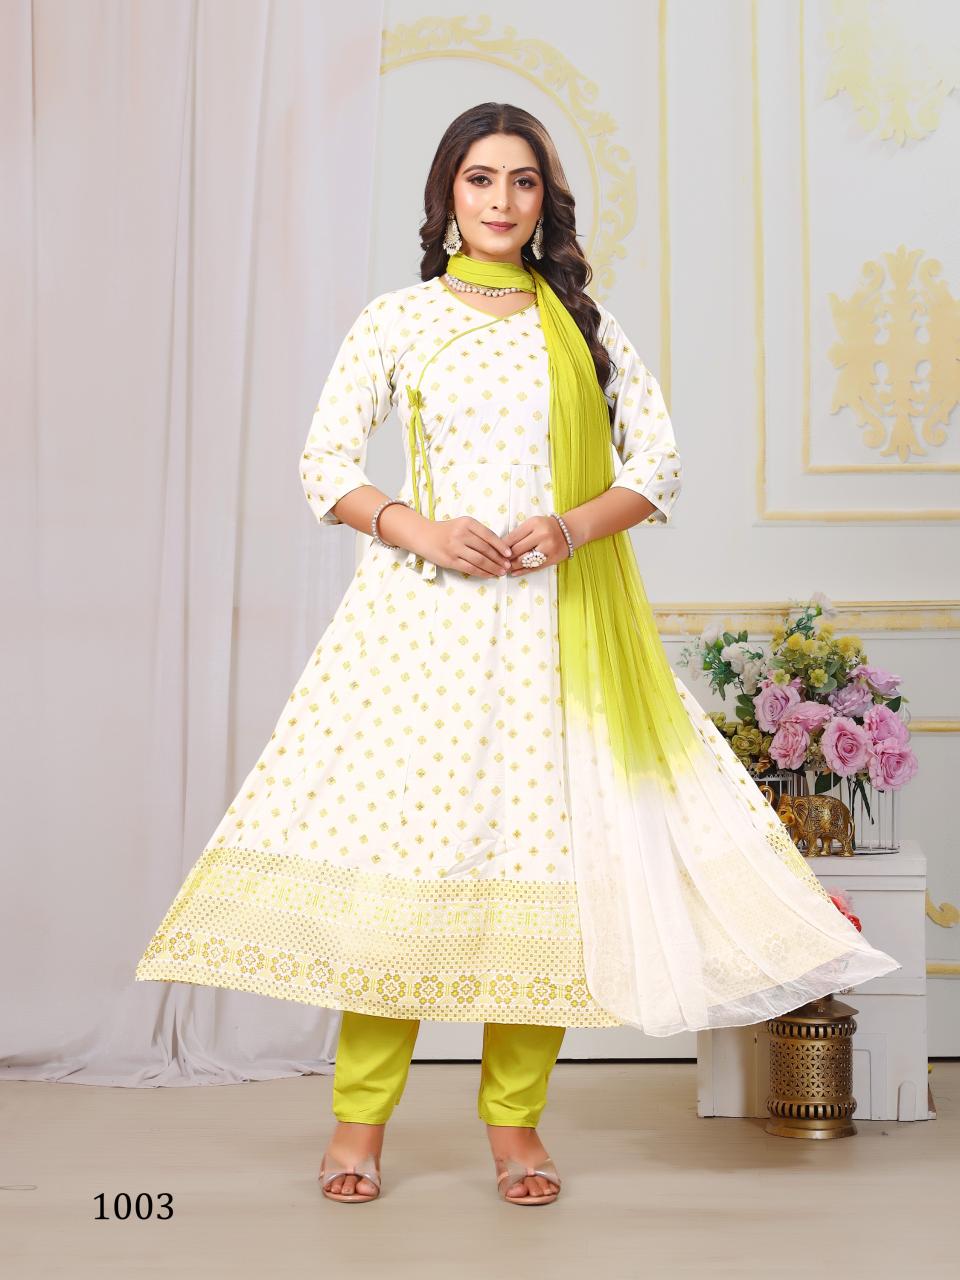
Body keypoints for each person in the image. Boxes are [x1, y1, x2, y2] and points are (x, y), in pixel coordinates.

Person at [135, 102, 900, 1206]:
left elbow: (659, 464)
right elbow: (323, 463)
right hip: (420, 631)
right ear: (447, 194)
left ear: (547, 201)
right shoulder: (397, 320)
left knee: (544, 876)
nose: (501, 200)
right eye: (481, 179)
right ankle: (358, 1124)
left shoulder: (582, 324)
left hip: (553, 633)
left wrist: (570, 527)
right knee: (401, 882)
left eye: (523, 181)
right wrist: (420, 529)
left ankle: (515, 1126)